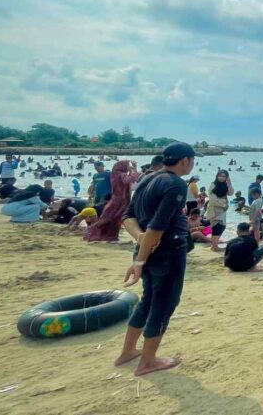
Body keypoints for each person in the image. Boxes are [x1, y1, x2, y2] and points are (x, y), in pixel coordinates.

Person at [118, 142, 196, 376]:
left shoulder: (147, 178)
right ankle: (148, 361)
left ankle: (128, 352)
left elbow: (128, 216)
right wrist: (139, 261)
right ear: (185, 161)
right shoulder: (175, 185)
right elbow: (157, 227)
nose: (192, 164)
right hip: (167, 252)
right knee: (164, 304)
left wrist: (140, 240)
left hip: (148, 250)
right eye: (192, 160)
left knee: (148, 301)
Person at [85, 160, 140, 242]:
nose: (129, 167)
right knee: (110, 219)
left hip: (117, 199)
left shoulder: (114, 173)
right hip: (119, 201)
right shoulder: (120, 174)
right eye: (127, 165)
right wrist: (134, 170)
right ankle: (95, 234)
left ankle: (108, 236)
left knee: (112, 219)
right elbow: (128, 180)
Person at [205, 170, 233, 251]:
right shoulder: (213, 184)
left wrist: (229, 183)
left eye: (224, 176)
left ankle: (214, 246)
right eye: (220, 176)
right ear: (217, 176)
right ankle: (214, 246)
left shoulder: (225, 185)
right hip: (215, 209)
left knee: (221, 226)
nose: (221, 178)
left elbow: (231, 193)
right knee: (217, 227)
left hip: (222, 210)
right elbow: (212, 199)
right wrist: (224, 204)